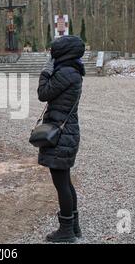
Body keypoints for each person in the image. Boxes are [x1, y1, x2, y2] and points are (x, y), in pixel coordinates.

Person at [37, 35, 85, 243]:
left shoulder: (65, 72)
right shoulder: (73, 70)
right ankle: (73, 226)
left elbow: (43, 93)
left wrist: (46, 70)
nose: (51, 55)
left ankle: (66, 231)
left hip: (60, 135)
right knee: (65, 181)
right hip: (67, 132)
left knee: (61, 183)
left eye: (53, 52)